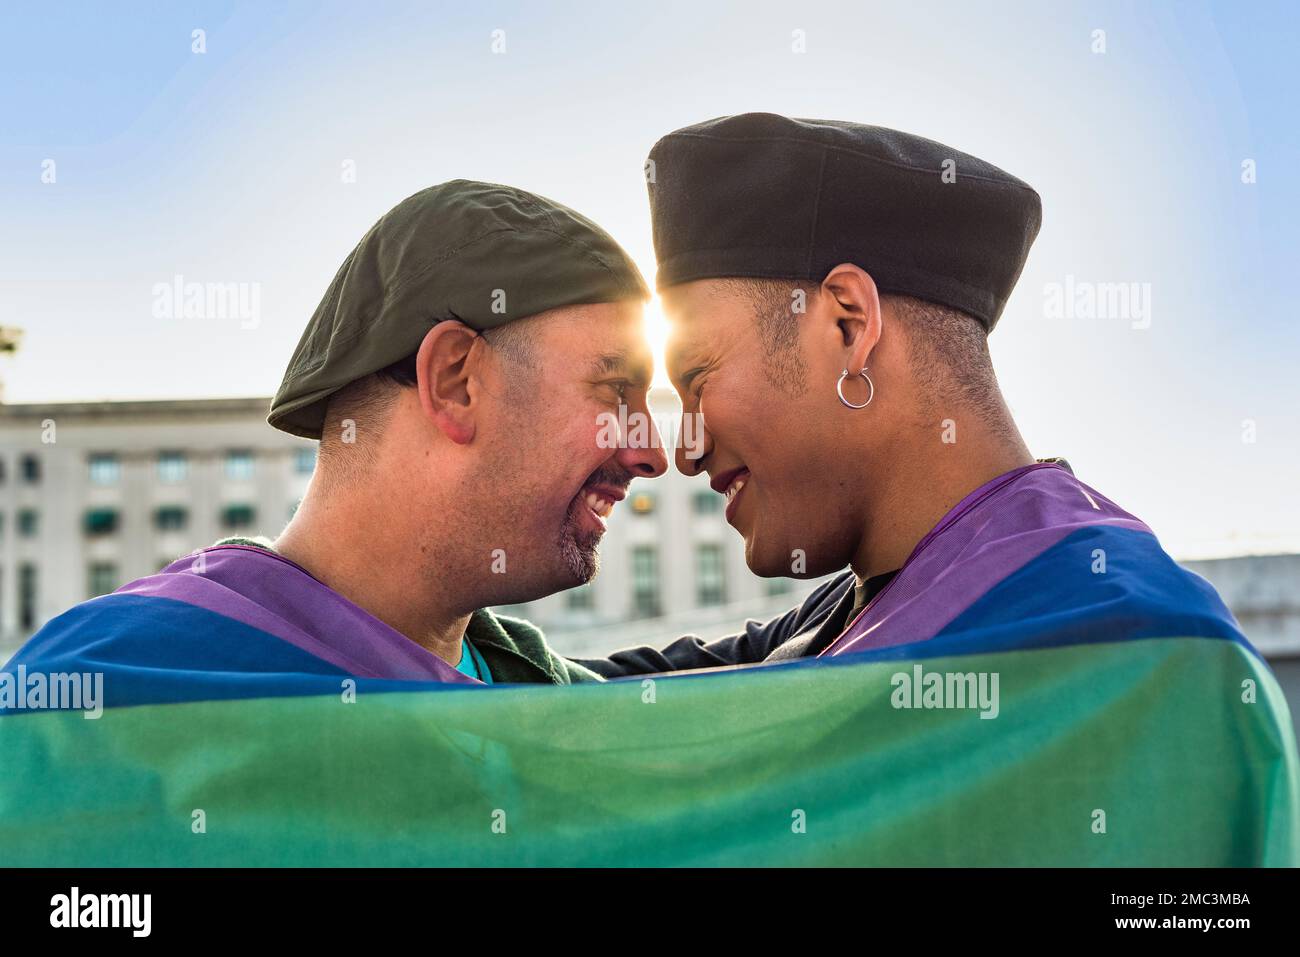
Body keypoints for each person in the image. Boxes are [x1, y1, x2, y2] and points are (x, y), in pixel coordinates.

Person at [575, 113, 1252, 675]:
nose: (683, 453)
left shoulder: (1128, 640)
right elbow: (580, 703)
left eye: (697, 378)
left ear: (849, 324)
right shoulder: (842, 610)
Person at [5, 180, 666, 705]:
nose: (655, 454)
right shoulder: (101, 698)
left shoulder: (544, 691)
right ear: (456, 381)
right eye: (614, 390)